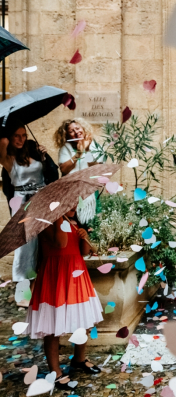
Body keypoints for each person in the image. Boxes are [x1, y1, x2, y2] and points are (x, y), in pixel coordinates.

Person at [26, 205, 103, 390]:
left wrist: (84, 237)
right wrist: (58, 216)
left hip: (76, 274)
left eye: (74, 203)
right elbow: (60, 243)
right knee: (52, 326)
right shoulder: (44, 223)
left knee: (83, 321)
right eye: (67, 203)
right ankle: (56, 371)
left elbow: (84, 251)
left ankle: (79, 359)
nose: (73, 207)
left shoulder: (75, 223)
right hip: (56, 276)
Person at [0, 124, 59, 285]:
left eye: (23, 135)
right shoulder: (8, 159)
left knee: (45, 238)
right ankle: (23, 285)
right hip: (22, 200)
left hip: (41, 197)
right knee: (25, 242)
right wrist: (6, 127)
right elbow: (2, 142)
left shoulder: (32, 151)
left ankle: (43, 280)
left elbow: (50, 172)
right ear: (10, 138)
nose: (21, 139)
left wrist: (44, 156)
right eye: (16, 136)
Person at [54, 118, 102, 223]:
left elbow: (97, 168)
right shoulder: (65, 148)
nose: (76, 132)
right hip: (72, 192)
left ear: (83, 128)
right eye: (71, 131)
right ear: (66, 136)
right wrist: (78, 154)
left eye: (77, 128)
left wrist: (88, 149)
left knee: (92, 223)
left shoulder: (94, 145)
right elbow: (64, 169)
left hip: (90, 190)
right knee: (76, 223)